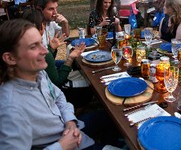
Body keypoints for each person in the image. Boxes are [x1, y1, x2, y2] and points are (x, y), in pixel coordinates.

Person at [0, 19, 122, 150]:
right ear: (10, 58)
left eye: (41, 42)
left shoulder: (39, 74)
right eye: (33, 46)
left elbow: (58, 97)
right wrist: (62, 146)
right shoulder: (10, 108)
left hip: (72, 128)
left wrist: (70, 122)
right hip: (68, 144)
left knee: (115, 117)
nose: (45, 51)